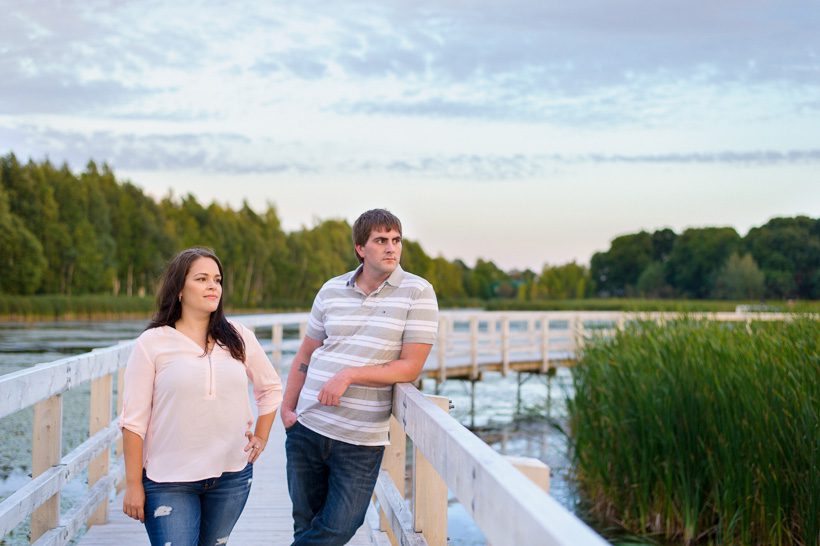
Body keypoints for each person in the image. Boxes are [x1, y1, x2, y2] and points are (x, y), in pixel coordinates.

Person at [281, 209, 439, 545]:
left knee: (339, 527)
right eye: (381, 240)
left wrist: (349, 375)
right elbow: (306, 354)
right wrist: (287, 410)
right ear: (360, 248)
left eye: (396, 240)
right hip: (307, 428)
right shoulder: (331, 290)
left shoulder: (417, 292)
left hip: (360, 439)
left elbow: (410, 367)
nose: (391, 248)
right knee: (306, 524)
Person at [119, 247, 282, 545]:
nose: (213, 286)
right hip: (169, 480)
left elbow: (270, 388)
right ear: (180, 289)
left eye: (217, 280)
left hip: (231, 475)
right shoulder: (153, 343)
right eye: (202, 279)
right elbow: (133, 421)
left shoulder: (238, 336)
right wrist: (132, 485)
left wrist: (262, 436)